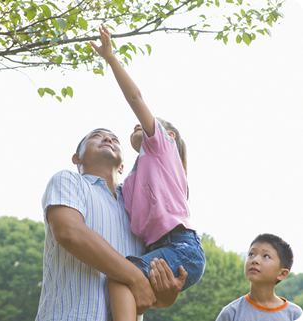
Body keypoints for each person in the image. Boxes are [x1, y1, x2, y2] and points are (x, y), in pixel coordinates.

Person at [90, 25, 206, 320]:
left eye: (149, 124)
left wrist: (111, 58)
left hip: (181, 247)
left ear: (168, 136)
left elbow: (135, 99)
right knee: (124, 289)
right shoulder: (131, 181)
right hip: (161, 250)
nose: (137, 125)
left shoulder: (161, 148)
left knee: (119, 278)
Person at [35, 127, 188, 321]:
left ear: (123, 166)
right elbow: (69, 232)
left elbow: (147, 286)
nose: (107, 138)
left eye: (114, 139)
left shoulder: (138, 208)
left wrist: (164, 298)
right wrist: (134, 277)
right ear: (77, 158)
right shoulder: (68, 180)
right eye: (96, 136)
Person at [216, 233, 302, 321]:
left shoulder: (294, 314)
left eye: (266, 256)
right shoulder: (231, 313)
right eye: (251, 254)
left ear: (282, 274)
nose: (255, 260)